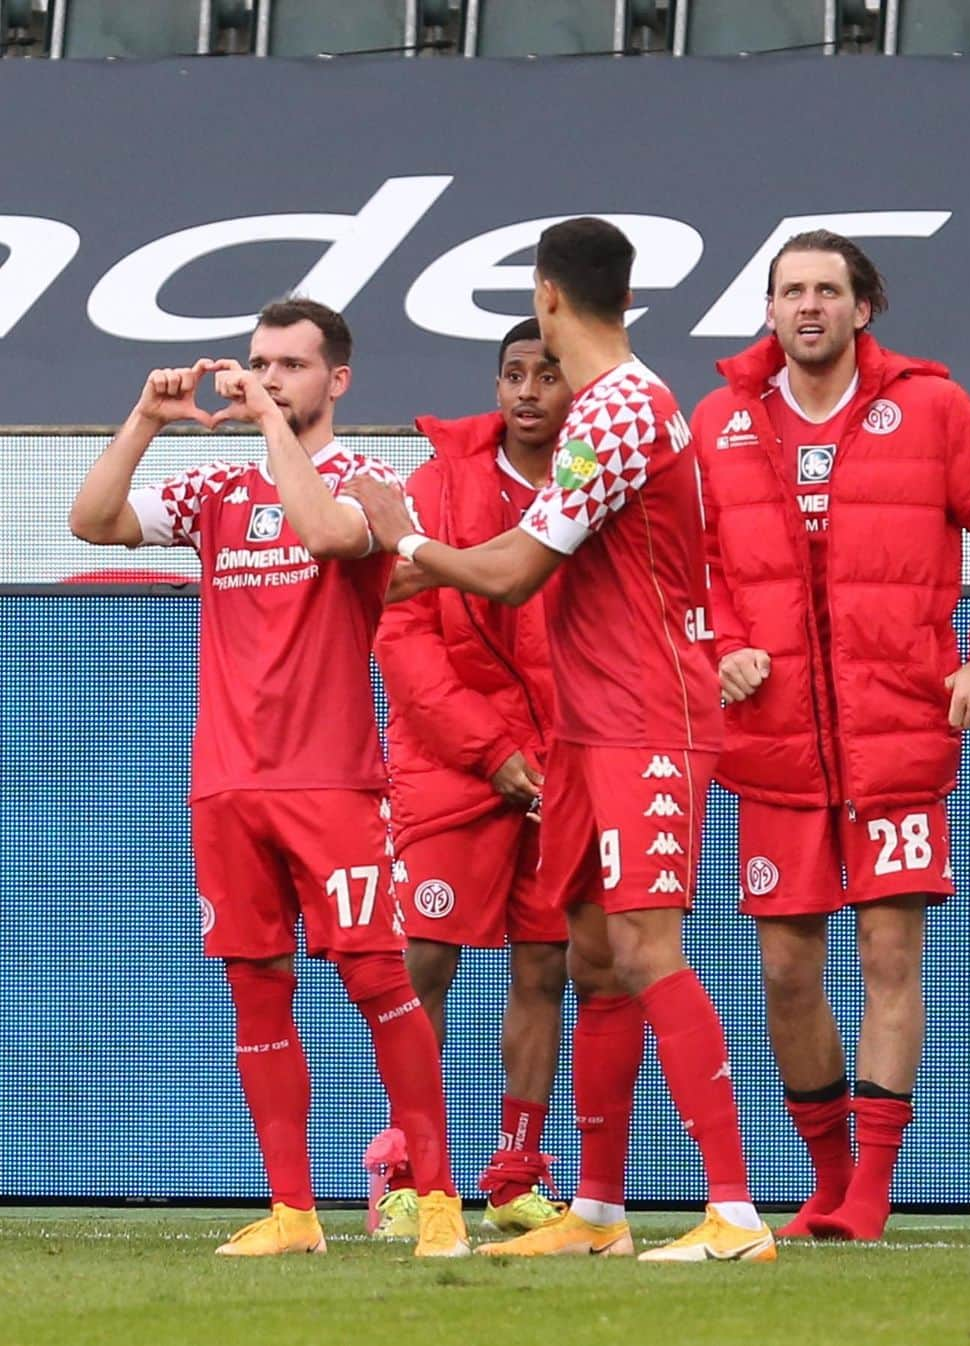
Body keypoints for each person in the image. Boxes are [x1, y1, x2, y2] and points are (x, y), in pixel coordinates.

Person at [348, 218, 775, 1263]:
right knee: (592, 954)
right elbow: (509, 551)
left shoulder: (626, 407)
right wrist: (437, 557)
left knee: (646, 947)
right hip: (589, 726)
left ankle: (733, 1211)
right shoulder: (605, 410)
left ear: (548, 296)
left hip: (648, 717)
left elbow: (515, 572)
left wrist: (408, 538)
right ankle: (595, 1212)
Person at [68, 298, 469, 1259]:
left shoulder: (373, 484)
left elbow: (331, 536)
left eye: (290, 365)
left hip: (331, 782)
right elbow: (91, 520)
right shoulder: (216, 491)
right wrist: (147, 420)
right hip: (227, 784)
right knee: (257, 987)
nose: (269, 378)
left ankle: (440, 1198)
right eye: (259, 363)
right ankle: (293, 1214)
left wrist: (269, 427)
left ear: (337, 381)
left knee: (379, 981)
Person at [691, 230, 970, 1242]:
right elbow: (686, 567)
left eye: (827, 289)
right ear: (767, 310)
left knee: (888, 953)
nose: (808, 305)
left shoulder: (936, 409)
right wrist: (720, 644)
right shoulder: (719, 420)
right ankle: (830, 1170)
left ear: (865, 307)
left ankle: (870, 1192)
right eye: (790, 290)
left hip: (898, 733)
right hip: (771, 742)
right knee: (783, 968)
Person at [365, 319, 572, 1240]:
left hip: (566, 769)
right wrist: (493, 753)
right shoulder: (434, 486)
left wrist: (569, 755)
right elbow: (403, 639)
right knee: (425, 965)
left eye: (547, 375)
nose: (528, 391)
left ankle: (515, 1174)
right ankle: (410, 1170)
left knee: (547, 966)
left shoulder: (598, 485)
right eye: (513, 374)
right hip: (452, 768)